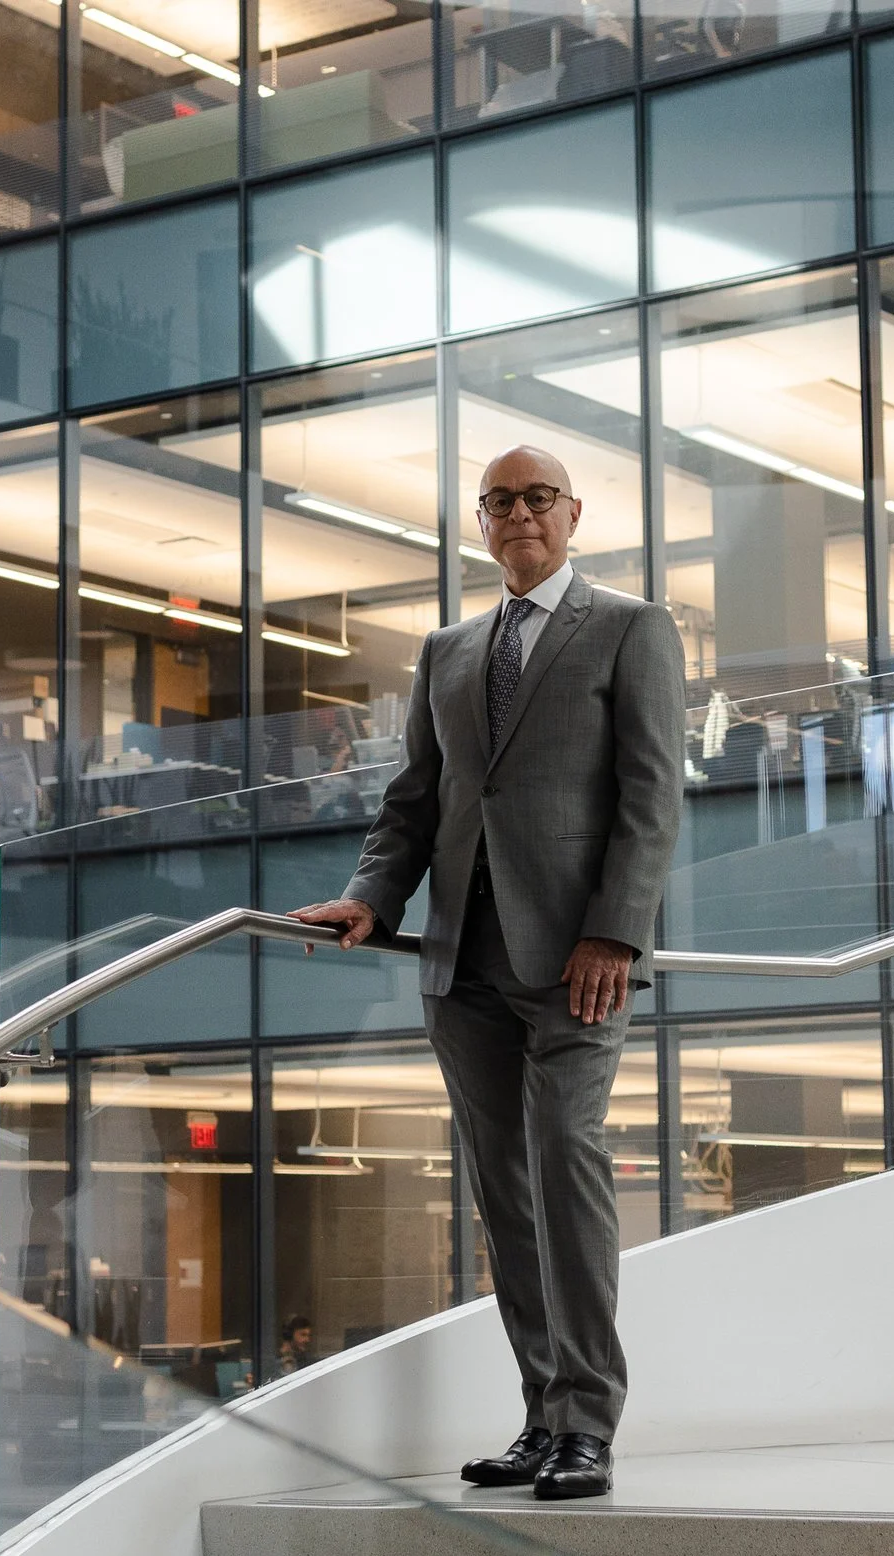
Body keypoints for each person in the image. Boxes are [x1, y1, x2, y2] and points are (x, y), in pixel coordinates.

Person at [290, 445, 685, 1500]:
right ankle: (538, 1415)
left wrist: (615, 930)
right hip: (458, 957)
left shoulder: (631, 627)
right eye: (500, 500)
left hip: (574, 962)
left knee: (566, 1161)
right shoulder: (447, 649)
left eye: (537, 497)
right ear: (482, 521)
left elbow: (651, 798)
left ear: (572, 513)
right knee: (505, 1192)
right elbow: (413, 801)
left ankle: (589, 1421)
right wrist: (372, 896)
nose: (520, 513)